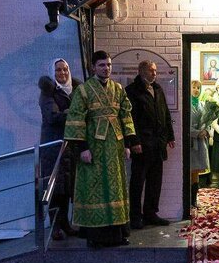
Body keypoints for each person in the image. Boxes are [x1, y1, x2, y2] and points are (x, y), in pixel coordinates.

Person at [65, 50, 138, 248]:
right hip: (94, 148)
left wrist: (129, 143)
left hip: (115, 146)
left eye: (108, 65)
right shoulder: (84, 90)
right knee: (95, 187)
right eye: (102, 65)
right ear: (93, 67)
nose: (106, 69)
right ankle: (96, 236)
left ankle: (118, 233)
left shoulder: (118, 89)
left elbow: (126, 115)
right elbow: (76, 119)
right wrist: (82, 148)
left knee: (117, 187)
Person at [126, 60, 175, 229]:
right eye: (151, 71)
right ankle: (135, 216)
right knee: (138, 181)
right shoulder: (132, 91)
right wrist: (134, 141)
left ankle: (150, 213)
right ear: (141, 71)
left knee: (155, 181)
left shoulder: (157, 89)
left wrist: (170, 135)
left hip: (157, 144)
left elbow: (165, 113)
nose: (154, 74)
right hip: (142, 144)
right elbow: (129, 119)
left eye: (155, 71)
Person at [38, 58, 81, 239]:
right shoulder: (48, 93)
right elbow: (52, 117)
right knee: (55, 188)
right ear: (53, 72)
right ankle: (55, 226)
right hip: (54, 147)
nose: (62, 73)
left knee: (67, 188)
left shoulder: (75, 90)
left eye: (65, 70)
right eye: (58, 70)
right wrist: (75, 112)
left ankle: (65, 223)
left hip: (70, 146)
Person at [188, 88, 219, 218]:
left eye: (198, 87)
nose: (196, 90)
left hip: (200, 142)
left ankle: (194, 199)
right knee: (189, 170)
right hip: (191, 143)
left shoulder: (202, 105)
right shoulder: (187, 104)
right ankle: (187, 199)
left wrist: (206, 131)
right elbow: (185, 124)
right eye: (194, 87)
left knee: (196, 172)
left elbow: (207, 123)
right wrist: (197, 132)